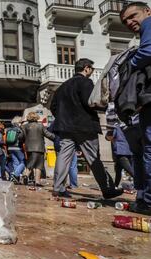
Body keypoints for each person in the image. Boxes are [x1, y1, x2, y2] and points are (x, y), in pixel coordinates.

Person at [51, 58, 123, 199]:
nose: (91, 72)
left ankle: (58, 188)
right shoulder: (86, 82)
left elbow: (53, 107)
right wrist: (104, 106)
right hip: (85, 126)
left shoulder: (62, 87)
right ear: (86, 68)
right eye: (92, 69)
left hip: (66, 128)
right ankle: (107, 189)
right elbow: (90, 102)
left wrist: (64, 119)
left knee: (63, 157)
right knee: (93, 158)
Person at [120, 2, 151, 213]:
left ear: (147, 11)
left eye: (133, 16)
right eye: (125, 21)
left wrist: (128, 67)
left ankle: (148, 201)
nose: (130, 22)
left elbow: (148, 51)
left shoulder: (149, 23)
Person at [22, 112, 55, 186]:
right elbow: (48, 134)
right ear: (36, 117)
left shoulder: (24, 126)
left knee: (30, 162)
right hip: (39, 148)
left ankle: (27, 176)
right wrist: (56, 138)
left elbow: (22, 137)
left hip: (29, 148)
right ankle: (34, 180)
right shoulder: (40, 126)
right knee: (39, 165)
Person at [48, 120, 79, 189]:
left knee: (60, 165)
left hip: (59, 145)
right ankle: (73, 185)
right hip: (72, 145)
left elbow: (49, 132)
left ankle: (59, 184)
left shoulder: (56, 120)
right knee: (72, 166)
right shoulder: (73, 120)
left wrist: (55, 139)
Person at [5, 117, 25, 183]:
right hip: (17, 147)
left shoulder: (8, 130)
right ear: (18, 122)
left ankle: (16, 179)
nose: (22, 123)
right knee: (23, 162)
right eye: (21, 122)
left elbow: (6, 140)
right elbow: (22, 138)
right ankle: (15, 174)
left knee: (15, 163)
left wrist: (7, 150)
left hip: (10, 148)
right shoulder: (19, 129)